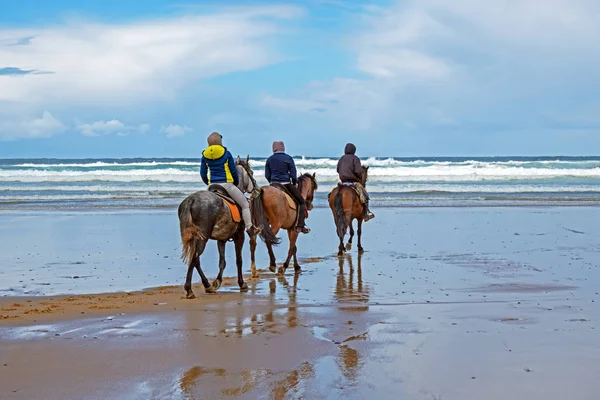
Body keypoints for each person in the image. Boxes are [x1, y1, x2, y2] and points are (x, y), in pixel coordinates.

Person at [200, 131, 261, 236]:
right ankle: (249, 228)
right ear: (220, 142)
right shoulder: (226, 153)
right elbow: (233, 171)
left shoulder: (204, 155)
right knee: (245, 205)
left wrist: (208, 183)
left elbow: (203, 173)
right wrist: (235, 183)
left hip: (212, 185)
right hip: (227, 185)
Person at [265, 141, 310, 234]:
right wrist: (294, 182)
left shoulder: (269, 159)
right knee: (301, 202)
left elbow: (267, 174)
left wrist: (272, 181)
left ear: (274, 148)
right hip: (286, 184)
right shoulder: (288, 158)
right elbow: (293, 173)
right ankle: (300, 225)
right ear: (283, 148)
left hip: (274, 184)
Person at [336, 143, 375, 221]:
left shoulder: (341, 158)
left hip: (343, 182)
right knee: (365, 195)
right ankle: (366, 214)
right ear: (354, 150)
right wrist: (359, 177)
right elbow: (358, 171)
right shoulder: (355, 158)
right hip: (353, 182)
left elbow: (337, 170)